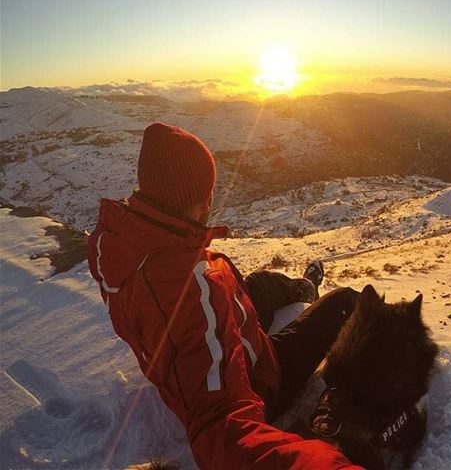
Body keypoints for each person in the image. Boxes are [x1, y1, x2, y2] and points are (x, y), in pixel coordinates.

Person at [87, 122, 361, 469]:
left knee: (260, 282)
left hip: (207, 344)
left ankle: (304, 287)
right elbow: (222, 423)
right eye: (207, 191)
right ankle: (313, 294)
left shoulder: (119, 246)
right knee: (345, 301)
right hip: (259, 380)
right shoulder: (193, 289)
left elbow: (192, 316)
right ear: (201, 199)